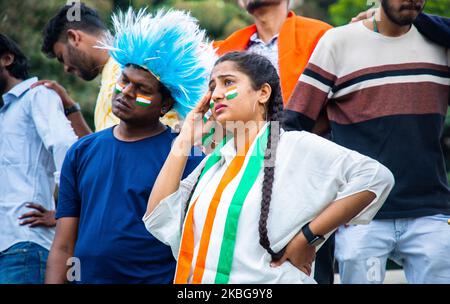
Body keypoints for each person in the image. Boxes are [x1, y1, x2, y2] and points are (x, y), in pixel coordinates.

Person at [143, 51, 395, 284]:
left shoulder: (293, 146)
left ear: (263, 93)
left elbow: (375, 177)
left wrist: (308, 237)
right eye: (212, 86)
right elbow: (157, 216)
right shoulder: (214, 162)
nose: (217, 93)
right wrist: (185, 139)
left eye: (228, 82)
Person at [283, 0, 450, 283]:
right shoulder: (338, 42)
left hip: (431, 212)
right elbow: (294, 124)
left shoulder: (440, 45)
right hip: (359, 214)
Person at [45, 8, 213, 284]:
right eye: (124, 80)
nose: (126, 92)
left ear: (166, 105)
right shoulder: (81, 152)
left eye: (142, 89)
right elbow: (63, 245)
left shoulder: (186, 158)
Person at [0, 34, 77, 284]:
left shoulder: (37, 96)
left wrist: (65, 212)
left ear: (6, 58)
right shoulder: (5, 112)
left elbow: (66, 145)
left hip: (24, 246)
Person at [39, 3, 178, 135]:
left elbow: (149, 145)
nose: (66, 68)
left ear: (74, 37)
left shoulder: (132, 72)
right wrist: (70, 108)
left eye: (61, 57)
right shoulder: (111, 78)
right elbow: (104, 152)